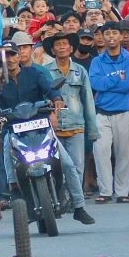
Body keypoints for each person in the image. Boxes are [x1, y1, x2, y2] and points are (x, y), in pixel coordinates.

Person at [0, 33, 93, 224]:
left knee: (67, 163)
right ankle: (15, 193)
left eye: (12, 54)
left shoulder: (34, 73)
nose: (10, 59)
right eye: (5, 56)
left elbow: (50, 88)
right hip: (14, 130)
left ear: (18, 56)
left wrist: (56, 99)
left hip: (41, 127)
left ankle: (79, 207)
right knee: (8, 158)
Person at [41, 30, 98, 205]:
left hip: (76, 126)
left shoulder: (80, 71)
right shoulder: (45, 71)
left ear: (71, 48)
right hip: (54, 127)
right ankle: (59, 198)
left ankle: (76, 200)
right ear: (53, 49)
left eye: (65, 44)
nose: (62, 47)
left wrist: (92, 130)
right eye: (58, 45)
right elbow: (42, 98)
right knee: (56, 165)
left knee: (77, 166)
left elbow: (88, 100)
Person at [89, 21, 129, 203]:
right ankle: (105, 191)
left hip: (124, 112)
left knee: (124, 153)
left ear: (120, 36)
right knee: (101, 153)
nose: (110, 36)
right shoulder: (97, 61)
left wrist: (108, 81)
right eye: (107, 33)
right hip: (102, 113)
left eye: (114, 33)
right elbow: (95, 84)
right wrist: (118, 78)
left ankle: (122, 192)